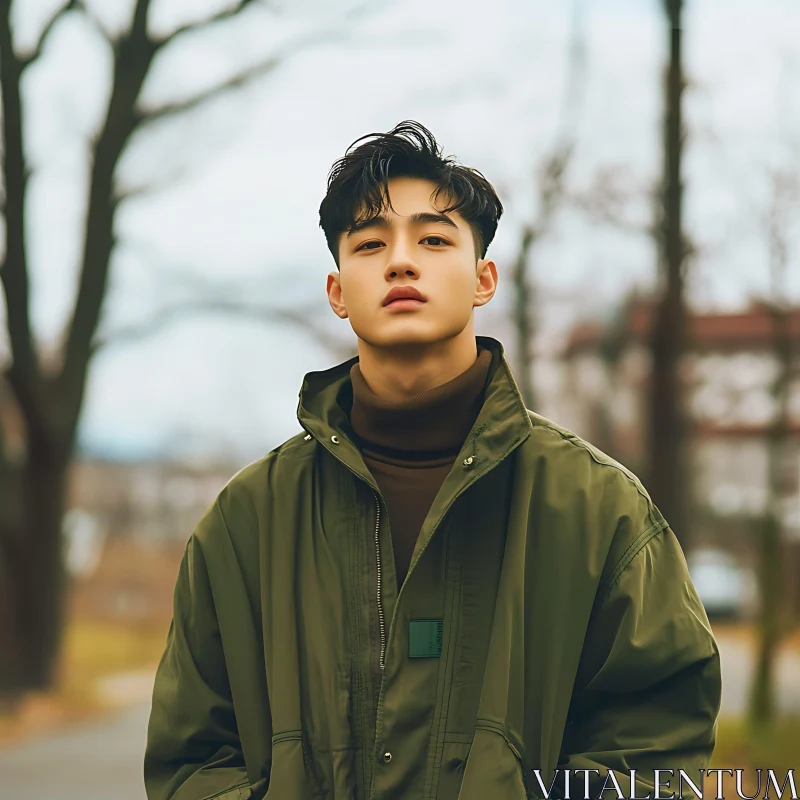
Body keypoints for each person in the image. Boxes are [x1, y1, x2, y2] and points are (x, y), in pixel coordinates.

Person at [144, 120, 721, 800]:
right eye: (369, 243)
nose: (400, 261)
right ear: (337, 292)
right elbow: (193, 759)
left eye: (433, 238)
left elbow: (656, 750)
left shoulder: (598, 509)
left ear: (483, 279)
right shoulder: (248, 520)